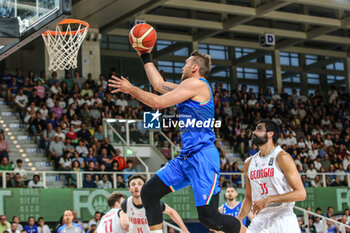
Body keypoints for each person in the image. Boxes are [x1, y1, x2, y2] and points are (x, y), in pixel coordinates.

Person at [109, 50, 244, 233]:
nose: (183, 67)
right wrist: (144, 55)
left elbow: (158, 102)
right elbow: (158, 85)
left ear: (195, 67)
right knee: (148, 192)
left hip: (202, 156)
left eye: (186, 63)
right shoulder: (186, 88)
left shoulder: (197, 84)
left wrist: (131, 89)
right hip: (186, 158)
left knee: (209, 218)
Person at [237, 119, 306, 233]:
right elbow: (249, 198)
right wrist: (239, 219)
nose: (254, 132)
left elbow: (301, 193)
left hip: (282, 218)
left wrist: (269, 199)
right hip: (260, 219)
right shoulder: (249, 162)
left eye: (259, 129)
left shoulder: (282, 157)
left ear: (270, 134)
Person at [120, 175, 189, 233]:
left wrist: (184, 229)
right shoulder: (125, 204)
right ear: (129, 189)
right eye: (133, 184)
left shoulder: (153, 203)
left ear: (144, 187)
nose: (136, 187)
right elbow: (121, 213)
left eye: (139, 184)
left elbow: (172, 212)